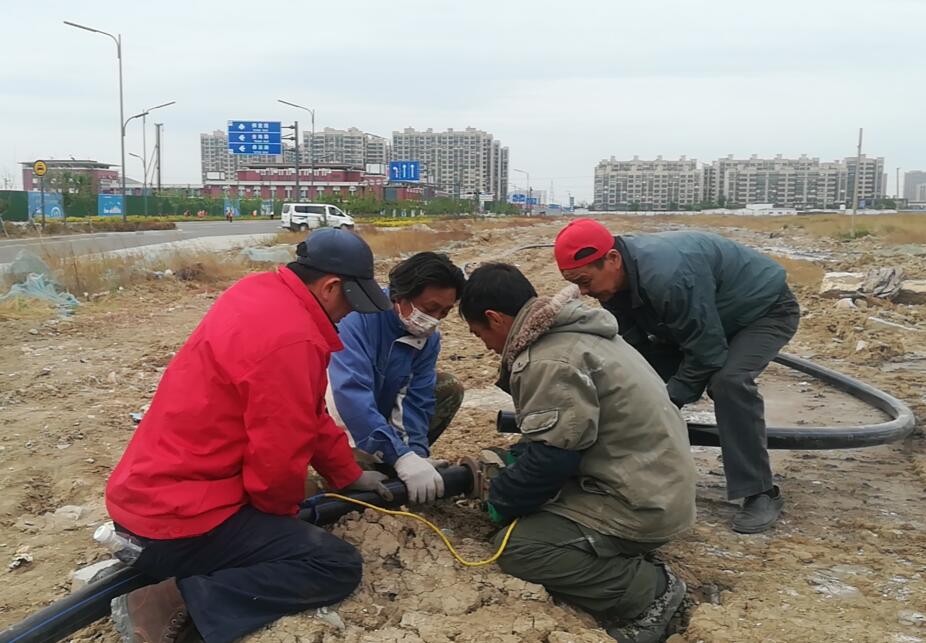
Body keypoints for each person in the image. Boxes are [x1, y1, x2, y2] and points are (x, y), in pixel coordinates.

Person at [105, 228, 394, 643]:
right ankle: (166, 604)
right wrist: (282, 522)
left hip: (150, 494)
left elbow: (307, 414)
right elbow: (277, 462)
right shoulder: (293, 338)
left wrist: (348, 475)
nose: (349, 314)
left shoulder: (259, 293)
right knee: (333, 563)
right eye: (351, 302)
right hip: (178, 518)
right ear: (331, 287)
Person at [460, 263, 696, 643]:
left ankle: (648, 592)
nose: (486, 345)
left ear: (494, 318)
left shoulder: (548, 359)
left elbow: (553, 459)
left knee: (517, 548)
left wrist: (501, 498)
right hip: (658, 485)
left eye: (479, 333)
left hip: (640, 504)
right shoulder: (580, 334)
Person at [554, 219, 800, 534]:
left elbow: (708, 353)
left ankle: (760, 491)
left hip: (763, 311)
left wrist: (666, 403)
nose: (585, 292)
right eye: (577, 285)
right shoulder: (614, 280)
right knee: (630, 378)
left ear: (612, 259)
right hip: (708, 317)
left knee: (728, 381)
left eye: (585, 282)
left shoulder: (668, 276)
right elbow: (633, 346)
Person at [327, 252, 466, 504]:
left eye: (445, 312)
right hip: (337, 420)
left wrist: (415, 455)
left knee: (448, 387)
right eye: (430, 308)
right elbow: (349, 396)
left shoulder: (428, 338)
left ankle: (392, 459)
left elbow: (416, 399)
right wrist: (399, 456)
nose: (434, 319)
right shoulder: (356, 319)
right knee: (350, 487)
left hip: (377, 412)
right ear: (400, 295)